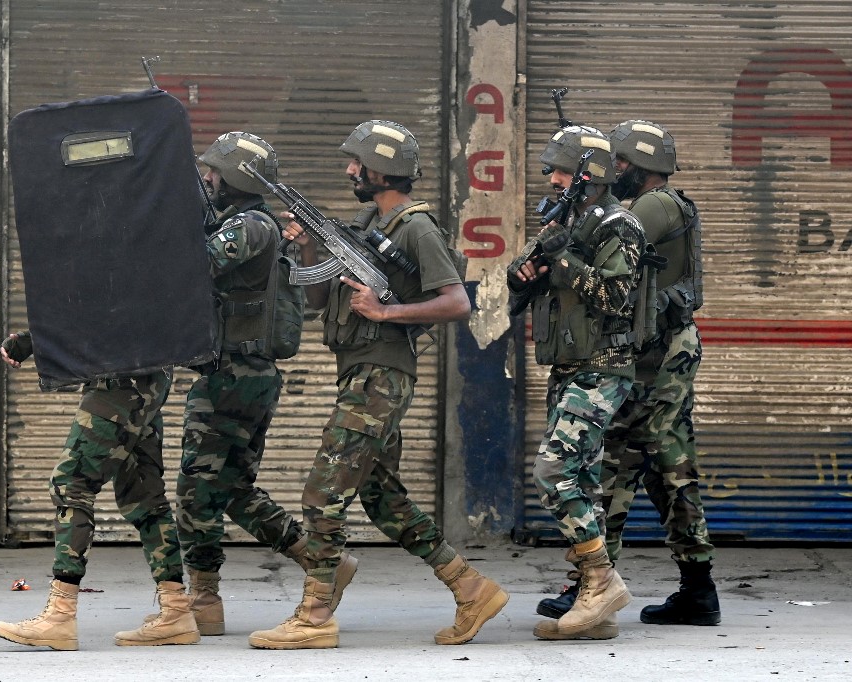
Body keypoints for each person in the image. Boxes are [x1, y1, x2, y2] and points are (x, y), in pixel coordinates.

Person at [248, 120, 507, 650]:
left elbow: (457, 302)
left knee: (323, 493)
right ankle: (471, 588)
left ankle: (315, 616)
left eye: (357, 163)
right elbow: (319, 300)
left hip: (380, 378)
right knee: (383, 498)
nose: (349, 171)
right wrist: (308, 250)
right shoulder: (368, 223)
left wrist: (387, 312)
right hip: (362, 374)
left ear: (383, 170)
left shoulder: (417, 229)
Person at [171, 131, 356, 636]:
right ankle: (319, 560)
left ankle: (203, 599)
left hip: (235, 374)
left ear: (235, 176)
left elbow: (196, 265)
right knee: (230, 487)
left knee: (196, 487)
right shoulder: (245, 223)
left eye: (214, 171)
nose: (208, 178)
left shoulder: (250, 225)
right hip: (243, 374)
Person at [535, 120, 719, 627]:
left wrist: (572, 222)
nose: (611, 171)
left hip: (659, 358)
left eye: (618, 163)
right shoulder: (658, 205)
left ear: (642, 166)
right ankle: (686, 586)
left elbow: (603, 245)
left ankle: (600, 582)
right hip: (653, 353)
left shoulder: (650, 207)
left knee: (638, 460)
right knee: (653, 464)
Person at [506, 124, 646, 641]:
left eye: (563, 171)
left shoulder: (619, 225)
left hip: (603, 367)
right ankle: (597, 609)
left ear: (593, 175)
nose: (554, 180)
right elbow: (520, 272)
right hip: (568, 367)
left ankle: (601, 581)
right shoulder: (564, 219)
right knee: (582, 479)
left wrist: (563, 257)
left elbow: (615, 297)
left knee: (554, 470)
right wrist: (525, 271)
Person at [0, 333, 198, 650]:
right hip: (149, 376)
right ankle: (176, 612)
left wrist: (35, 339)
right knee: (145, 496)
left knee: (71, 484)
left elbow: (94, 309)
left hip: (119, 377)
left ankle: (60, 617)